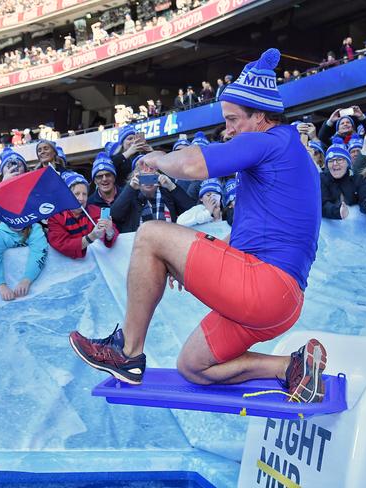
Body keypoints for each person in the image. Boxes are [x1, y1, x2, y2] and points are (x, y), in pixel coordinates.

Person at [69, 49, 327, 404]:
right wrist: (182, 258)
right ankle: (290, 367)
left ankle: (127, 353)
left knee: (150, 235)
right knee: (193, 366)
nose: (229, 129)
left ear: (262, 117)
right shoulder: (292, 156)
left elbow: (192, 165)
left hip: (264, 286)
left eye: (234, 119)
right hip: (282, 302)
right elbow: (263, 233)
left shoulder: (269, 141)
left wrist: (154, 158)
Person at [111, 156, 194, 233]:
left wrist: (172, 187)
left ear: (158, 176)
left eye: (151, 177)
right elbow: (115, 215)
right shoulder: (130, 195)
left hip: (168, 241)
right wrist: (130, 188)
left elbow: (192, 212)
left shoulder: (167, 193)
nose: (148, 182)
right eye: (144, 178)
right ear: (136, 178)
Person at [48, 171, 119, 259]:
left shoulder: (96, 211)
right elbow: (62, 244)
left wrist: (109, 233)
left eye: (84, 194)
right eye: (76, 194)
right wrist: (91, 237)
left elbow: (110, 235)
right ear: (66, 196)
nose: (81, 198)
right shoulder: (56, 217)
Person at [0, 219, 48, 301]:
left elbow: (38, 253)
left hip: (34, 279)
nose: (16, 221)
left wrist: (27, 279)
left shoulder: (35, 228)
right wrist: (1, 285)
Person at [319, 138, 366, 219]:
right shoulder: (322, 179)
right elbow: (322, 204)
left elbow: (365, 197)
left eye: (339, 160)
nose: (335, 164)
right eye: (330, 161)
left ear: (347, 163)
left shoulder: (357, 178)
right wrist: (338, 212)